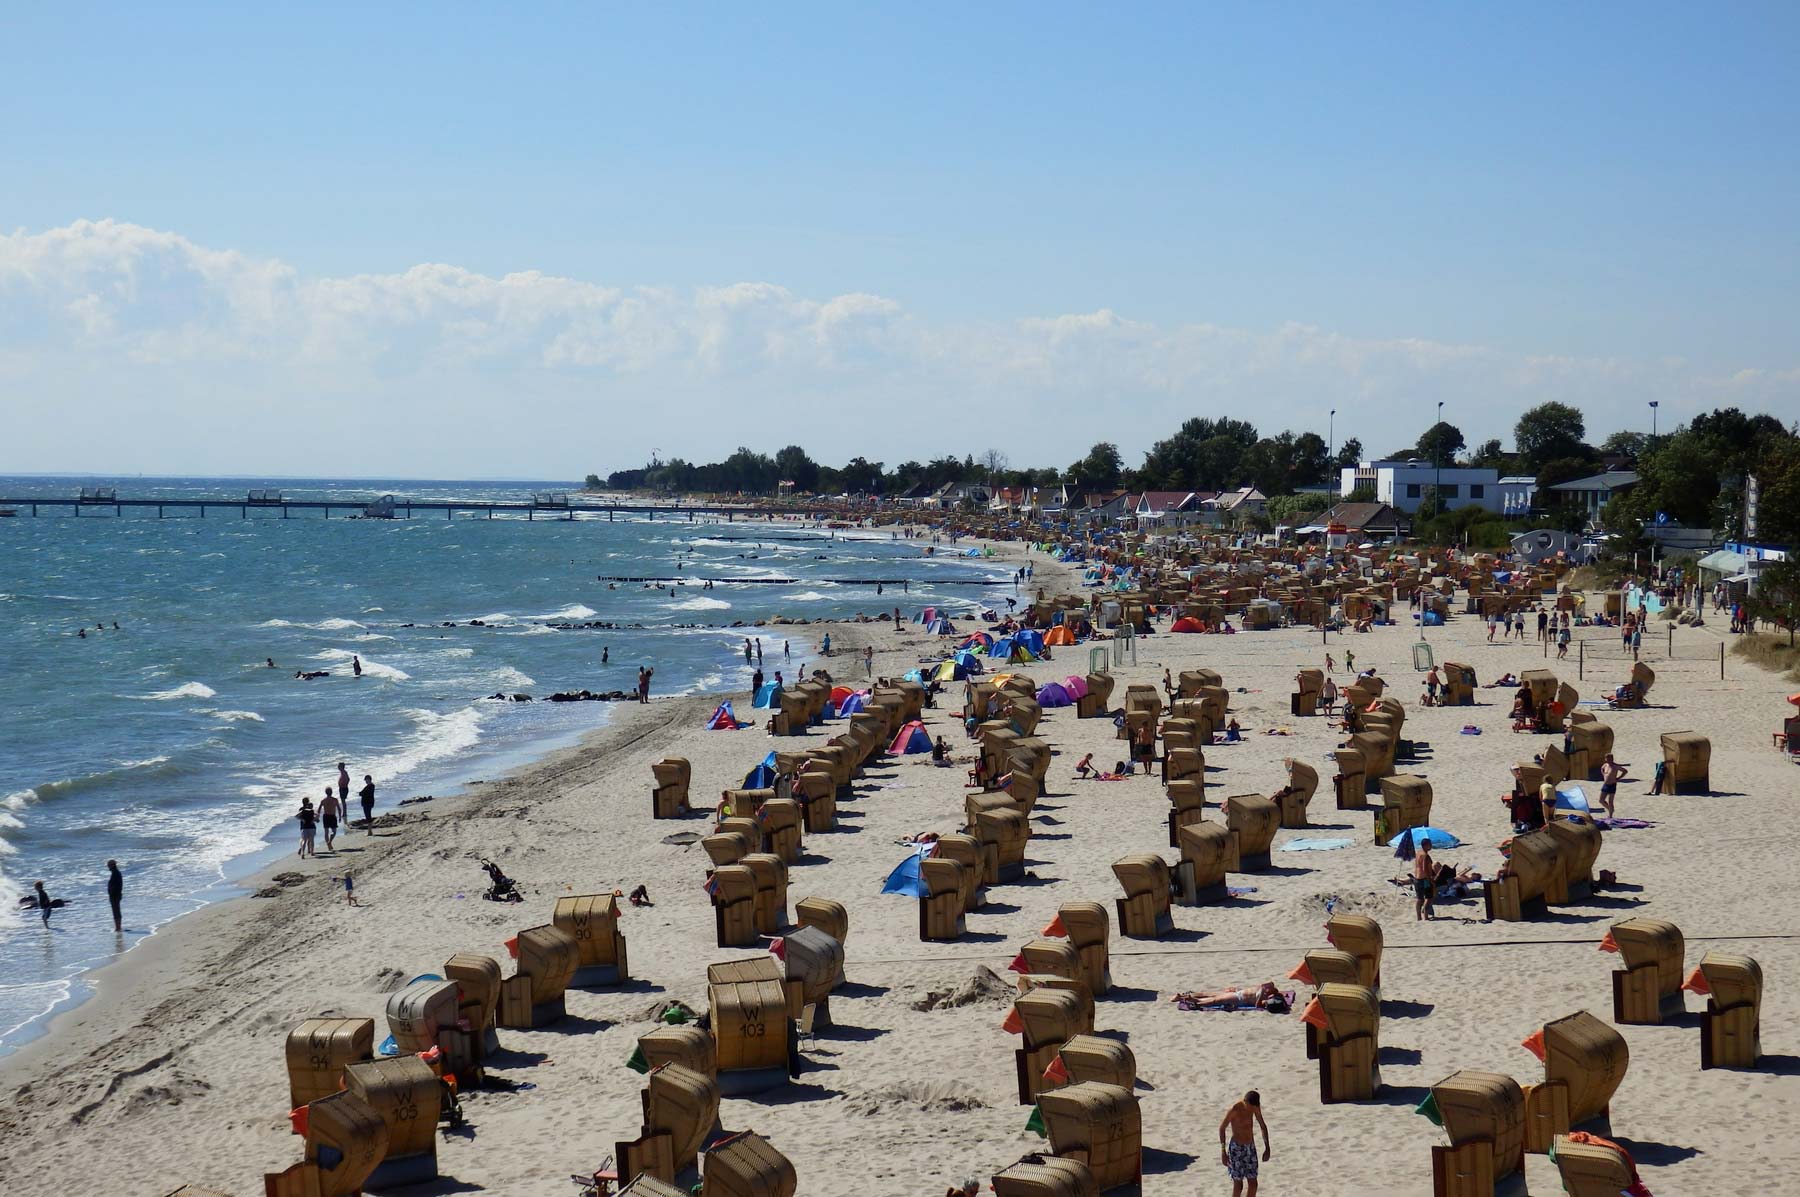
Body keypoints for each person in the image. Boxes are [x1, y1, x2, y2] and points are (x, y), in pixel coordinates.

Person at [1219, 1090, 1271, 1197]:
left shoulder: (1255, 1106)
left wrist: (1267, 1147)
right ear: (1246, 1102)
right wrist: (1223, 1151)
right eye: (1251, 1107)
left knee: (1253, 1184)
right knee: (1239, 1185)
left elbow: (1262, 1125)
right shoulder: (1235, 1109)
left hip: (1250, 1148)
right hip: (1236, 1149)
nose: (1253, 1110)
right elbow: (1222, 1128)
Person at [1412, 840, 1436, 921]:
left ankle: (1418, 917)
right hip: (1424, 879)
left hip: (1416, 879)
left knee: (1420, 899)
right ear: (1425, 845)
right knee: (1428, 898)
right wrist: (1431, 880)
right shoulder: (1425, 856)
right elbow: (1425, 869)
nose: (1431, 846)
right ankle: (1426, 916)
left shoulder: (1418, 853)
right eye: (1430, 844)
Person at [1599, 753, 1628, 818]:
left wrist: (1618, 778)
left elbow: (1625, 771)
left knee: (1610, 801)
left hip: (1612, 785)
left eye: (1610, 758)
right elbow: (1602, 768)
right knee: (1601, 800)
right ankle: (1610, 809)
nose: (1609, 760)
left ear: (1612, 759)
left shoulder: (1615, 766)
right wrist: (1603, 774)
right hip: (1605, 784)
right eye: (1607, 758)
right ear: (1605, 759)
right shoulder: (1605, 765)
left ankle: (1610, 815)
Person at [320, 785, 342, 851]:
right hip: (332, 816)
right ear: (331, 792)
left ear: (325, 792)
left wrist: (317, 817)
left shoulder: (323, 800)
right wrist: (340, 816)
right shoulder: (335, 800)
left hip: (326, 816)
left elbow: (318, 809)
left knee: (326, 832)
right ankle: (329, 842)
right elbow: (339, 809)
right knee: (334, 832)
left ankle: (328, 844)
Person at [107, 859, 124, 932]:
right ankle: (118, 927)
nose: (108, 867)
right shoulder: (116, 873)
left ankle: (118, 928)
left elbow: (115, 886)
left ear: (112, 865)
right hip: (117, 894)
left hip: (115, 895)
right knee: (116, 911)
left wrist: (111, 893)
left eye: (109, 865)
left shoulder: (115, 873)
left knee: (116, 911)